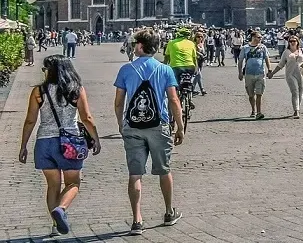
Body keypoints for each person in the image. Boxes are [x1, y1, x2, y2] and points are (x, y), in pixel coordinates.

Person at [18, 55, 102, 236]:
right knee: (73, 183)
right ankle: (61, 209)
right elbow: (86, 118)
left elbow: (30, 120)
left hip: (44, 142)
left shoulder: (39, 91)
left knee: (53, 186)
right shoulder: (76, 89)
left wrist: (23, 145)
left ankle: (55, 227)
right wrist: (96, 138)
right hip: (69, 142)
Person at [113, 29, 184, 235]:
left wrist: (121, 123)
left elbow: (118, 103)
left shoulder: (126, 70)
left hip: (133, 126)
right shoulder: (165, 69)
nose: (133, 47)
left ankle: (137, 220)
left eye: (135, 44)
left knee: (135, 173)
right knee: (164, 170)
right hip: (158, 125)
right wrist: (179, 126)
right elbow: (173, 100)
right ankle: (169, 212)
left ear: (141, 46)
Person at [269, 37, 303, 118]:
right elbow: (281, 64)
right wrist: (272, 73)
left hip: (301, 74)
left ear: (297, 42)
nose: (292, 43)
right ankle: (296, 110)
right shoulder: (286, 52)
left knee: (301, 91)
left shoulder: (302, 50)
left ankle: (297, 107)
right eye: (290, 41)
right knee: (295, 91)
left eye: (294, 41)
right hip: (290, 74)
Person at [236, 32, 272, 120]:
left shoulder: (263, 47)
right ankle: (253, 110)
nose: (260, 39)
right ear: (253, 37)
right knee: (251, 95)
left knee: (259, 94)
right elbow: (240, 61)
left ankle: (259, 112)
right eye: (258, 37)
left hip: (260, 74)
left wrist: (270, 70)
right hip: (249, 74)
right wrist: (240, 72)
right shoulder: (245, 48)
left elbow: (267, 59)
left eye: (261, 37)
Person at [164, 28, 199, 109]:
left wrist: (164, 67)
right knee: (188, 80)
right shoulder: (191, 43)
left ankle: (176, 98)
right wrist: (196, 69)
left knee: (176, 85)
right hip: (190, 67)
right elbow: (194, 58)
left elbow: (166, 57)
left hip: (176, 67)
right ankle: (189, 96)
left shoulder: (171, 43)